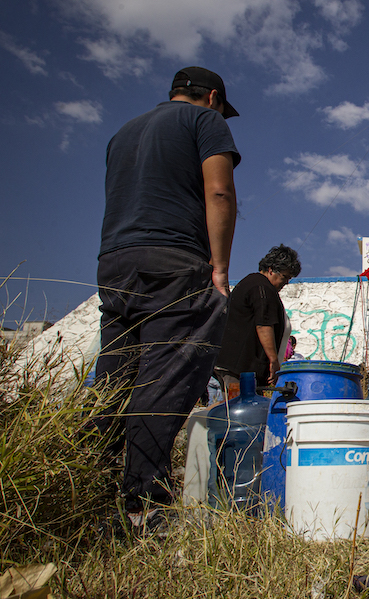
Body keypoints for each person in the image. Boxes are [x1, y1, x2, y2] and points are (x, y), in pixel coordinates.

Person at [94, 66, 240, 527]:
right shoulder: (205, 122)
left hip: (114, 261)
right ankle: (143, 506)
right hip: (174, 262)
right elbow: (219, 191)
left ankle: (83, 487)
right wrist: (219, 266)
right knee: (165, 380)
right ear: (212, 97)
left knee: (114, 381)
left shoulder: (123, 133)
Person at [215, 245, 301, 390]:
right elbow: (264, 324)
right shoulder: (262, 288)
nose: (286, 283)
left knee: (233, 407)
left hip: (238, 368)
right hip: (239, 369)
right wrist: (273, 360)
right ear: (271, 270)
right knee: (237, 407)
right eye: (284, 277)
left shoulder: (253, 283)